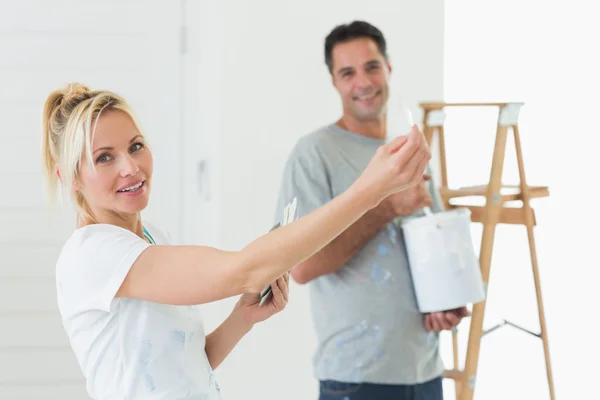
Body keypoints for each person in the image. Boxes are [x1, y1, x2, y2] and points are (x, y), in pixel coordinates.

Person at [41, 82, 431, 400]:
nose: (131, 167)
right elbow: (245, 269)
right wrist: (371, 191)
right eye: (104, 158)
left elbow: (187, 365)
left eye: (135, 146)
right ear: (71, 177)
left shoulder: (150, 239)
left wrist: (242, 318)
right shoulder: (92, 254)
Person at [274, 21, 470, 400]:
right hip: (355, 378)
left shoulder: (407, 153)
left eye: (372, 67)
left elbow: (433, 243)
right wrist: (388, 208)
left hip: (425, 370)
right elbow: (302, 267)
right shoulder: (315, 153)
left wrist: (443, 303)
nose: (363, 81)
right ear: (334, 81)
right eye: (348, 72)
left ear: (389, 68)